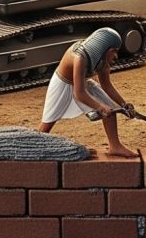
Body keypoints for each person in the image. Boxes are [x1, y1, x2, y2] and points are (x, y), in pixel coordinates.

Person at [38, 27, 138, 158]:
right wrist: (100, 107)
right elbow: (79, 93)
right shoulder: (79, 58)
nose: (116, 56)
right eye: (114, 51)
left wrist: (123, 104)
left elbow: (107, 85)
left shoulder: (103, 61)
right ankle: (35, 145)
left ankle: (115, 146)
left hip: (83, 83)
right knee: (48, 122)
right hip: (63, 84)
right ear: (107, 50)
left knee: (111, 108)